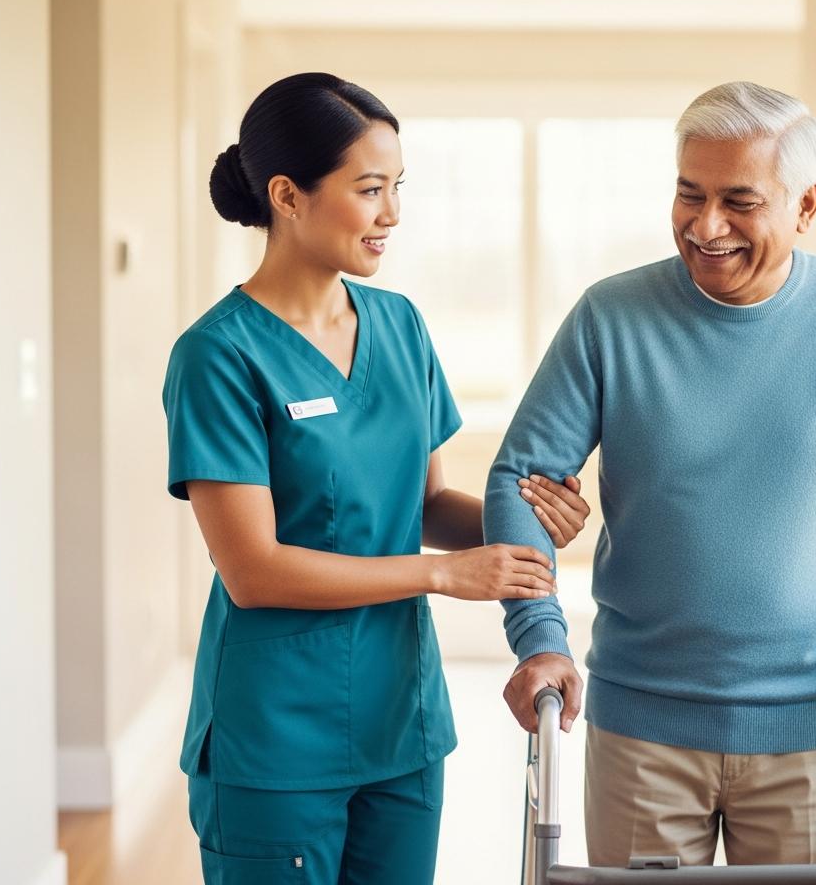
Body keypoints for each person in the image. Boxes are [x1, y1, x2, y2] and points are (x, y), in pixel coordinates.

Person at [484, 81, 816, 868]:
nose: (705, 227)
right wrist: (540, 640)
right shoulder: (611, 317)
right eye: (689, 196)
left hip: (812, 727)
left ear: (805, 204)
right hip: (642, 725)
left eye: (738, 202)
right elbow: (520, 478)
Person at [162, 72, 590, 885]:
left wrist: (529, 519)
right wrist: (446, 575)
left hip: (404, 728)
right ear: (287, 195)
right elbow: (252, 571)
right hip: (276, 737)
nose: (392, 213)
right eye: (369, 189)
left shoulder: (399, 326)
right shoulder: (218, 355)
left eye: (398, 187)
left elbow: (426, 505)